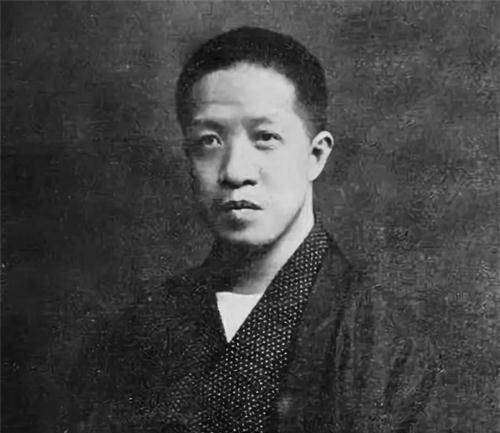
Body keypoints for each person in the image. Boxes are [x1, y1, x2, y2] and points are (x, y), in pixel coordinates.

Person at [64, 27, 438, 433]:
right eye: (209, 141)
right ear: (188, 157)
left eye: (266, 137)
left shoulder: (388, 345)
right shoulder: (133, 336)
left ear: (315, 155)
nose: (235, 171)